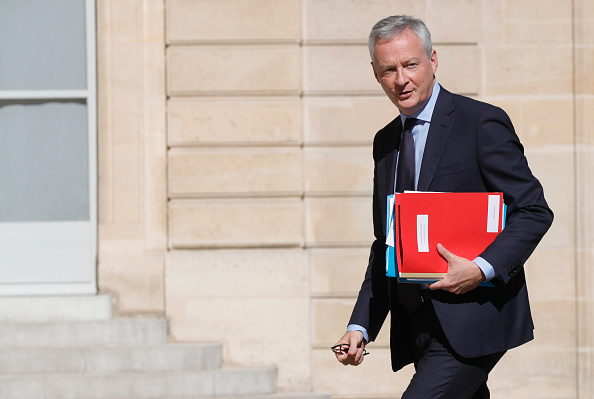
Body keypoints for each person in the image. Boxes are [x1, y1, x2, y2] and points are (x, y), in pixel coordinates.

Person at [332, 15, 554, 398]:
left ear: (433, 60)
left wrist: (481, 269)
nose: (401, 79)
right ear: (375, 74)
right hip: (417, 325)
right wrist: (361, 326)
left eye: (411, 64)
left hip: (475, 318)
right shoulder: (385, 142)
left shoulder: (481, 122)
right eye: (389, 69)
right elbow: (385, 242)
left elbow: (533, 210)